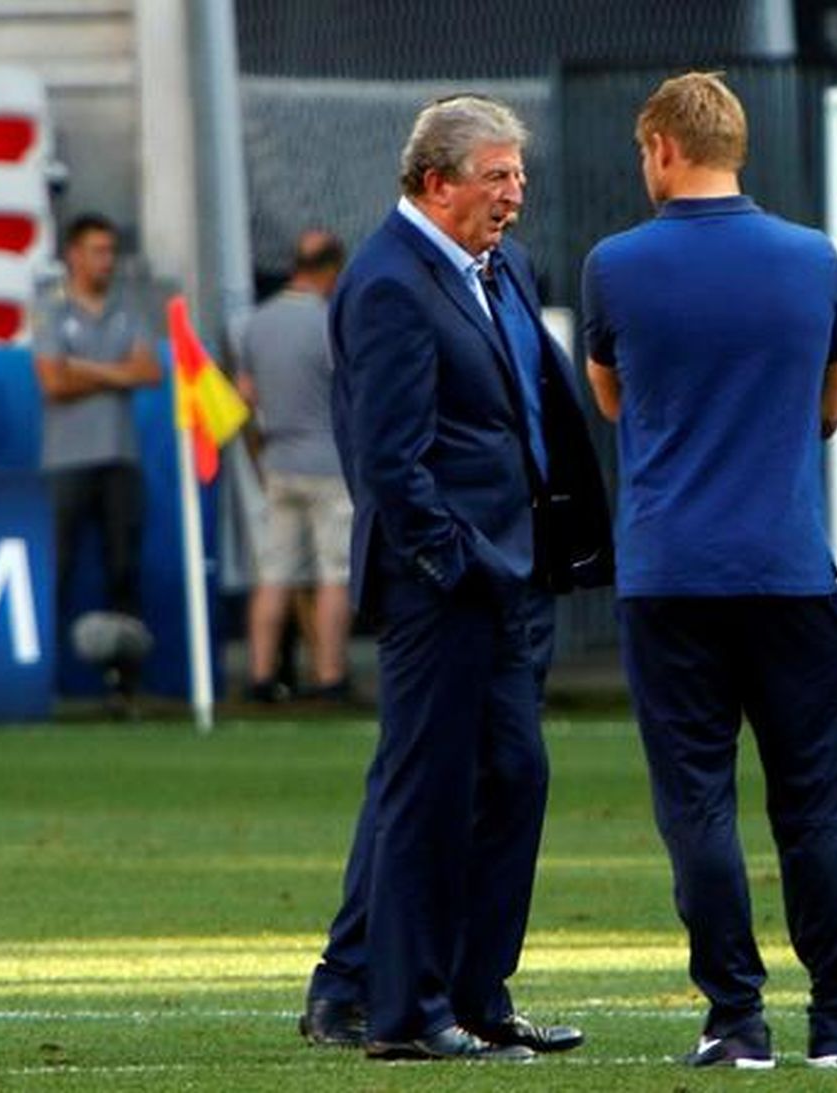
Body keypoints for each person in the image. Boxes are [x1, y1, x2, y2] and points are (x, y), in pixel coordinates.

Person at [581, 72, 837, 1070]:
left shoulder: (614, 264)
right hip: (783, 568)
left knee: (694, 802)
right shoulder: (811, 258)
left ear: (660, 147)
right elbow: (829, 408)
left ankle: (733, 1017)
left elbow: (612, 403)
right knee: (812, 800)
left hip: (666, 573)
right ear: (737, 146)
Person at [302, 93, 612, 1062]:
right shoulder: (387, 282)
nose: (515, 196)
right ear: (436, 183)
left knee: (512, 779)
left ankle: (477, 993)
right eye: (496, 178)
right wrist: (450, 562)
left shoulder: (501, 267)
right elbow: (387, 459)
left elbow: (526, 413)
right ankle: (401, 1011)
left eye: (518, 176)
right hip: (443, 584)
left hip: (513, 575)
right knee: (428, 791)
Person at [32, 213, 161, 711]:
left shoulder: (128, 310)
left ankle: (123, 683)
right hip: (66, 460)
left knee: (123, 568)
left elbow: (149, 372)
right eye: (97, 250)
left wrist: (84, 366)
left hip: (119, 457)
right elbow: (53, 384)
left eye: (111, 251)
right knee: (57, 568)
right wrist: (117, 373)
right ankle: (42, 678)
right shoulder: (50, 309)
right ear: (74, 255)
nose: (106, 260)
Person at [235, 230, 353, 704]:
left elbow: (245, 396)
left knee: (275, 573)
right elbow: (350, 392)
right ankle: (329, 675)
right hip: (328, 461)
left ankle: (260, 675)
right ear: (331, 271)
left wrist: (261, 450)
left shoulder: (254, 325)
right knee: (334, 574)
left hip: (278, 460)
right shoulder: (329, 323)